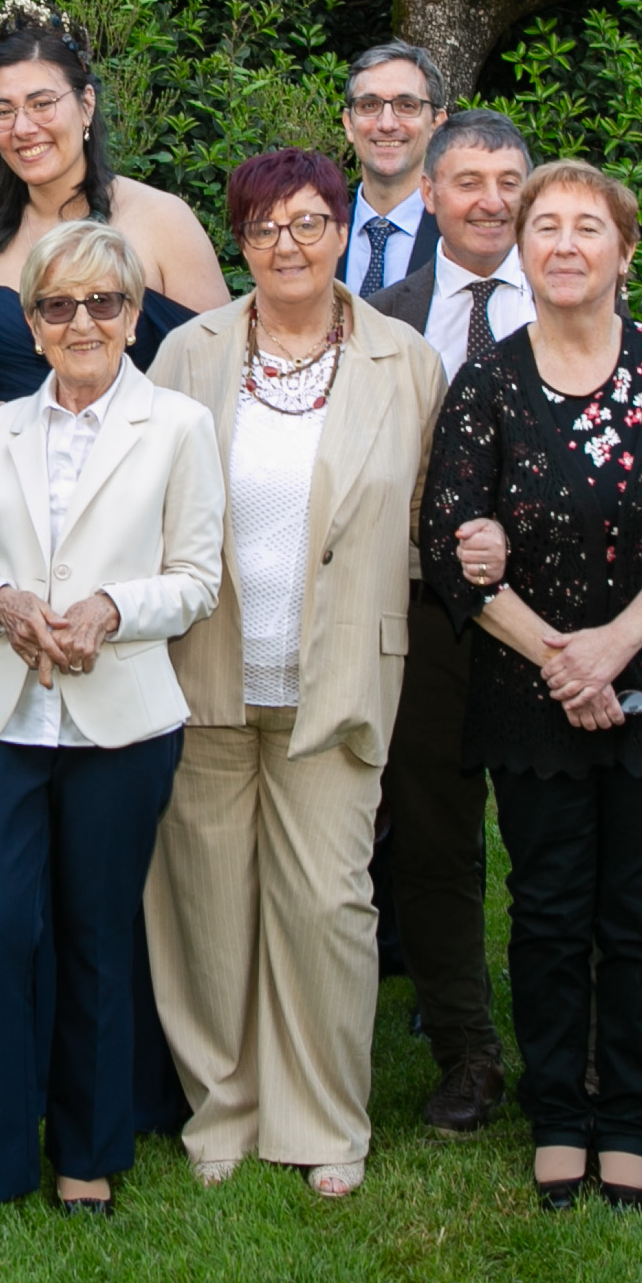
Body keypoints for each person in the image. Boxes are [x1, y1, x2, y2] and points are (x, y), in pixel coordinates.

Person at [419, 161, 642, 1213]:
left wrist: (611, 648)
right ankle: (559, 1114)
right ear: (520, 251)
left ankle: (631, 1119)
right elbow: (447, 546)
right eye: (545, 227)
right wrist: (563, 659)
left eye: (587, 228)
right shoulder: (487, 382)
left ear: (627, 251)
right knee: (551, 910)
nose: (565, 244)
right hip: (531, 695)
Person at [145, 151, 439, 1199]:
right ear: (239, 241)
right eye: (265, 227)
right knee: (206, 899)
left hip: (341, 671)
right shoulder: (189, 353)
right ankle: (224, 1107)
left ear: (342, 231)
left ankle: (323, 1120)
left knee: (327, 906)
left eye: (309, 222)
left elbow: (427, 519)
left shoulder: (405, 361)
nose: (288, 244)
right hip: (206, 667)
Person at [0, 219, 225, 1224]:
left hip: (120, 721)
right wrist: (4, 603)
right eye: (58, 305)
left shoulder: (178, 427)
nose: (82, 322)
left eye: (104, 302)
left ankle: (89, 1154)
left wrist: (109, 610)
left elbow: (196, 579)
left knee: (98, 932)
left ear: (135, 317)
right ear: (33, 324)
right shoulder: (3, 429)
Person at [364, 108, 535, 1132]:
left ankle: (568, 1044)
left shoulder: (576, 297)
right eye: (467, 180)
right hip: (426, 611)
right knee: (433, 836)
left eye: (509, 181)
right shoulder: (378, 315)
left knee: (552, 836)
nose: (490, 201)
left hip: (553, 614)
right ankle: (466, 1051)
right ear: (428, 195)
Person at [0, 0, 227, 400]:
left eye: (41, 103)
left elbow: (221, 376)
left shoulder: (163, 221)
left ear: (86, 104)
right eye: (3, 111)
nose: (23, 128)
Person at [336, 42, 446, 296]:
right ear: (349, 124)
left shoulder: (458, 239)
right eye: (369, 105)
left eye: (406, 105)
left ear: (436, 124)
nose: (387, 124)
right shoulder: (320, 236)